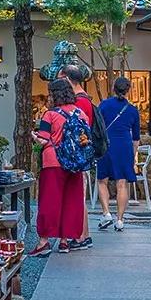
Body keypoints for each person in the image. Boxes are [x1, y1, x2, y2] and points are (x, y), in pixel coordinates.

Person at [29, 78, 88, 257]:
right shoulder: (81, 114)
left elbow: (44, 139)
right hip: (75, 163)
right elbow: (85, 139)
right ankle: (64, 241)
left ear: (54, 94)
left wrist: (33, 136)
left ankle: (44, 241)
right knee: (71, 201)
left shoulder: (50, 114)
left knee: (50, 201)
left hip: (53, 162)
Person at [58, 63, 96, 250]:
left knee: (78, 198)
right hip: (81, 157)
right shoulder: (86, 100)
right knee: (80, 197)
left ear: (66, 78)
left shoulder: (79, 103)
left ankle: (81, 236)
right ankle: (83, 235)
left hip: (77, 158)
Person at [96, 75, 141, 232]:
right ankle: (120, 220)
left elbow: (97, 127)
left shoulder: (104, 105)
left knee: (102, 180)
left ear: (113, 88)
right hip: (124, 146)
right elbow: (136, 138)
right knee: (122, 183)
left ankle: (106, 213)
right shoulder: (133, 110)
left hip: (107, 145)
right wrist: (133, 156)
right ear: (128, 91)